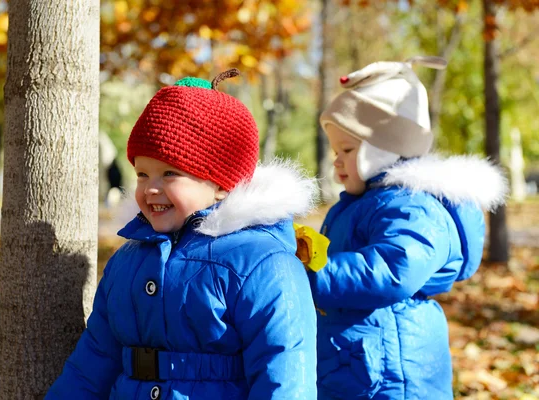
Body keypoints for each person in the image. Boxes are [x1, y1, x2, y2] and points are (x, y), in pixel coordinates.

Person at [46, 69, 318, 400]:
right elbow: (93, 362)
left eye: (170, 173)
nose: (151, 189)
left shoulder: (262, 265)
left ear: (220, 184)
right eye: (142, 174)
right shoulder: (127, 262)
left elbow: (285, 377)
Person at [307, 56, 508, 400]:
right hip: (357, 361)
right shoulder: (363, 204)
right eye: (335, 150)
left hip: (392, 370)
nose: (336, 160)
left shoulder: (410, 206)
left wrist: (313, 274)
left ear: (382, 149)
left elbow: (393, 269)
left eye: (348, 149)